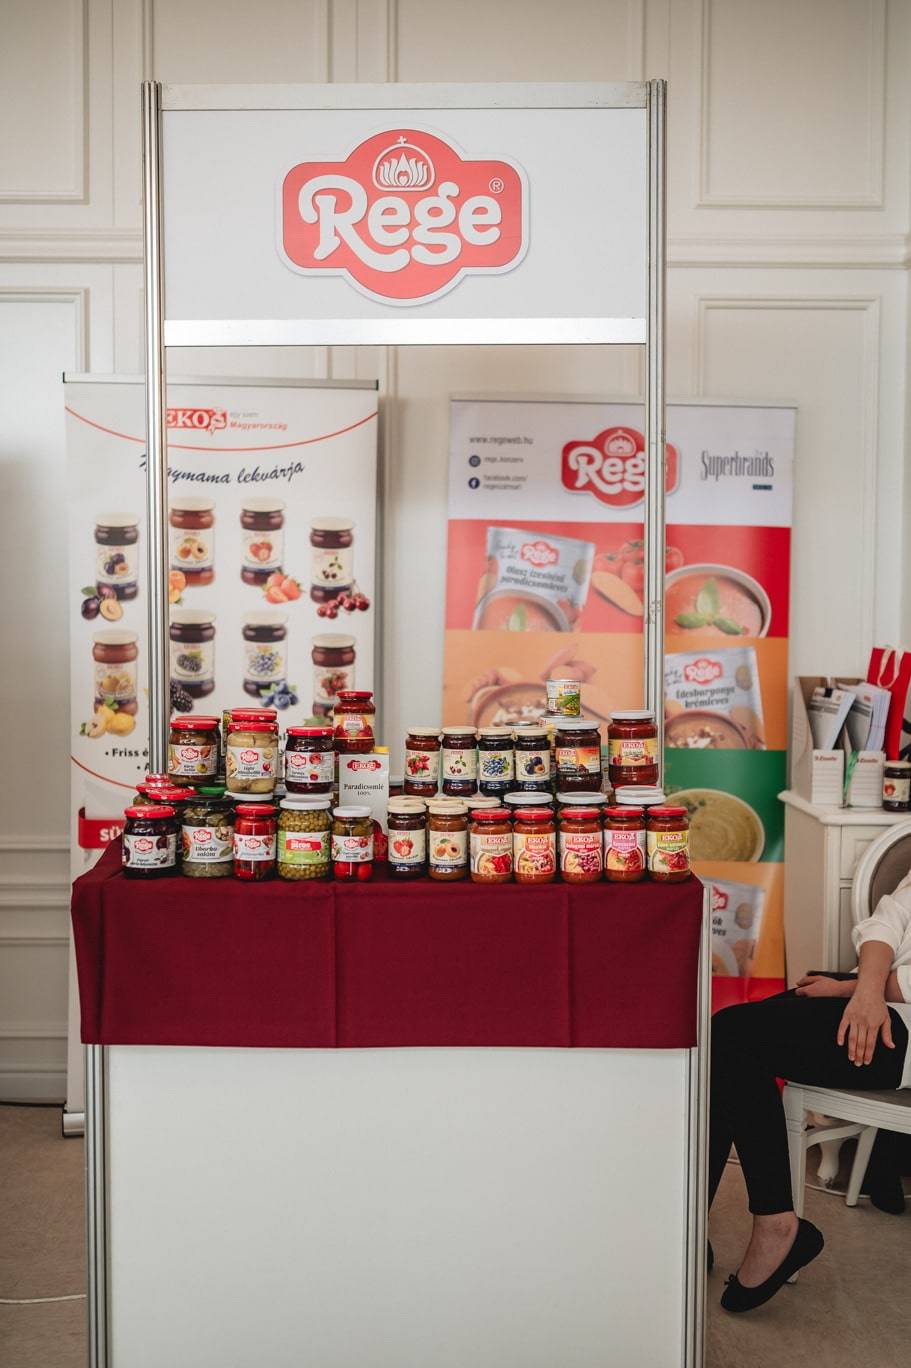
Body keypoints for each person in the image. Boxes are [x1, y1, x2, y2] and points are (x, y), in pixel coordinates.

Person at [709, 868, 911, 1313]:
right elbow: (889, 920)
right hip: (876, 991)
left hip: (904, 1026)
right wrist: (861, 990)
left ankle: (776, 1225)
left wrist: (851, 989)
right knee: (725, 1043)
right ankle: (692, 1226)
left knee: (730, 1038)